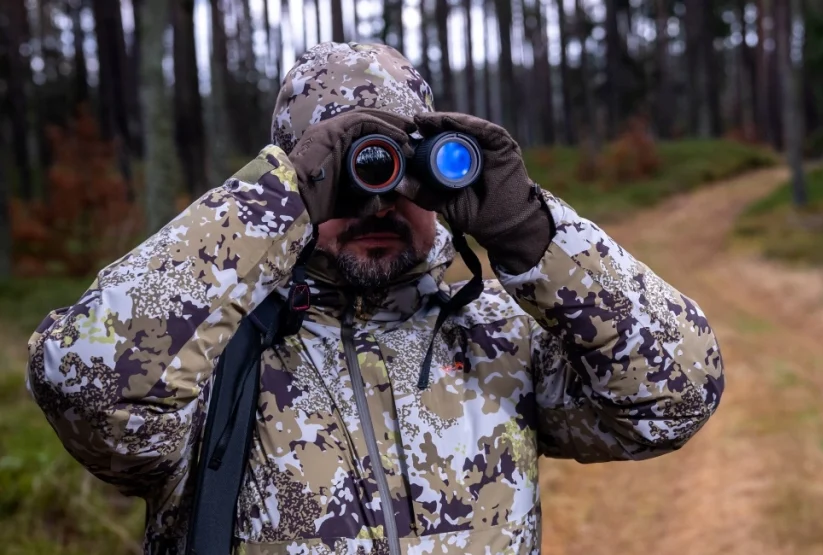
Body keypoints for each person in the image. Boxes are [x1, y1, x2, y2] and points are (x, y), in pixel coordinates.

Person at [26, 42, 725, 555]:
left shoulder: (495, 334)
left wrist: (532, 231)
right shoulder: (213, 354)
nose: (378, 199)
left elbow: (678, 395)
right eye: (347, 176)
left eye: (403, 173)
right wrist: (281, 198)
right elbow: (88, 387)